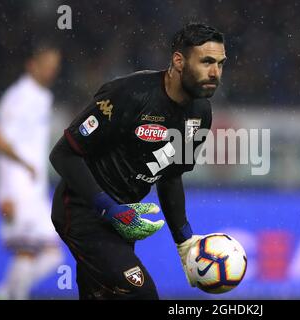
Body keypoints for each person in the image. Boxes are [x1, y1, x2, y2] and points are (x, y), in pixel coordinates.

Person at [49, 22, 226, 300]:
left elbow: (171, 175)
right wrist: (108, 208)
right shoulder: (128, 95)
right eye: (206, 62)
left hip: (124, 223)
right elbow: (62, 154)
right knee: (142, 294)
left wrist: (185, 242)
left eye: (220, 63)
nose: (215, 72)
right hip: (83, 211)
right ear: (179, 61)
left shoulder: (200, 113)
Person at [0, 44, 64, 300]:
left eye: (54, 69)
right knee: (28, 249)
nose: (50, 73)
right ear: (32, 65)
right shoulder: (18, 97)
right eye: (46, 67)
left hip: (35, 189)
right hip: (18, 188)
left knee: (51, 253)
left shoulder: (42, 97)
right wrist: (6, 192)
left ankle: (3, 293)